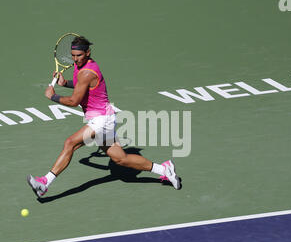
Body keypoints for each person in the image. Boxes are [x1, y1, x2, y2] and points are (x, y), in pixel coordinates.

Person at [27, 36, 180, 197]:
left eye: (78, 55)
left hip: (101, 119)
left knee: (69, 143)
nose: (75, 59)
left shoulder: (87, 72)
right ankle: (164, 169)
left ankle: (44, 183)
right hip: (103, 117)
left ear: (88, 52)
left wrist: (53, 96)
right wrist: (65, 84)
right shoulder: (83, 67)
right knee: (121, 159)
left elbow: (74, 100)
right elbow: (81, 84)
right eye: (73, 55)